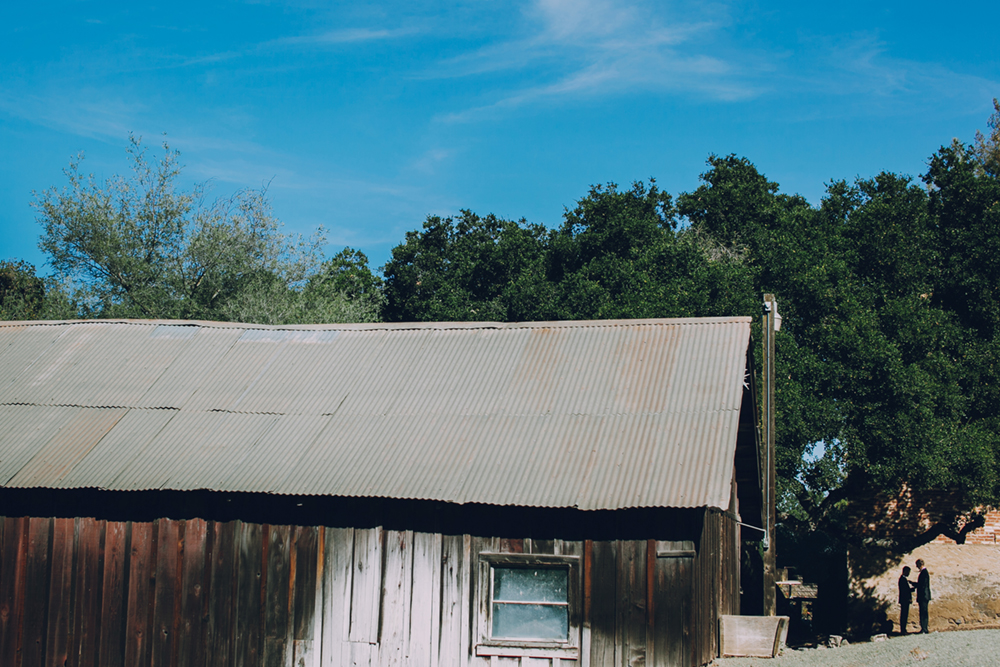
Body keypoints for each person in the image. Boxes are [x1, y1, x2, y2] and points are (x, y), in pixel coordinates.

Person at [915, 558, 932, 633]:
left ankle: (924, 628)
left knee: (923, 612)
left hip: (924, 596)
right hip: (924, 595)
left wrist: (915, 585)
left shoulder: (924, 573)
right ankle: (924, 628)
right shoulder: (924, 573)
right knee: (923, 612)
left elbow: (922, 585)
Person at [898, 565, 914, 634]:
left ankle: (903, 629)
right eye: (908, 572)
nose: (908, 573)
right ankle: (903, 629)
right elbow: (905, 591)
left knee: (904, 614)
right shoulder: (902, 579)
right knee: (904, 614)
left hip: (904, 600)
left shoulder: (903, 579)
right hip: (905, 600)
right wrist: (911, 590)